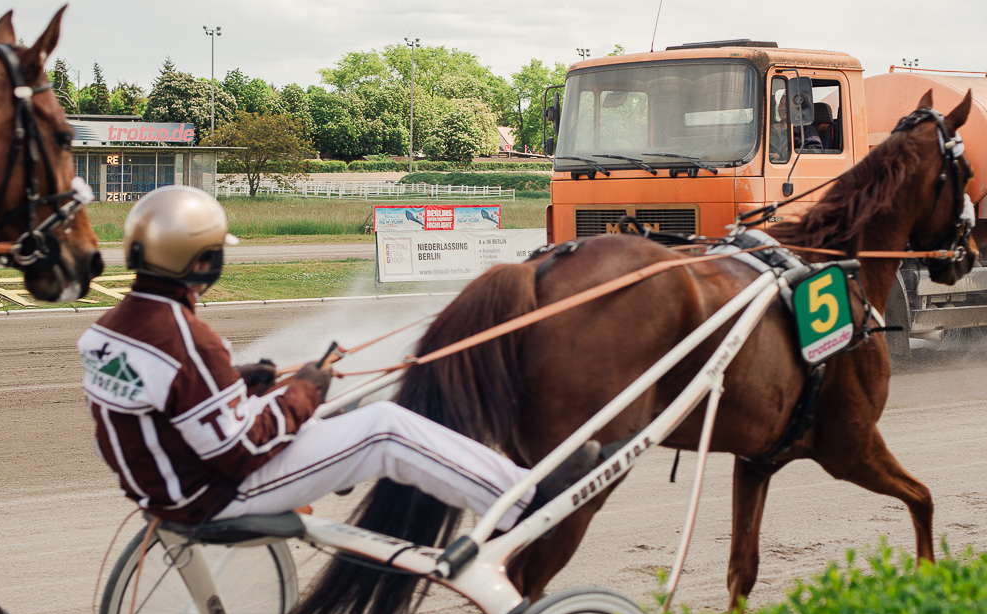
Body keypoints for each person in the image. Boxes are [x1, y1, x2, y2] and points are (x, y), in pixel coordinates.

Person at [78, 185, 600, 532]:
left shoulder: (106, 333)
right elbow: (236, 449)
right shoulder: (186, 338)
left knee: (347, 415)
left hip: (165, 484)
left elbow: (172, 398)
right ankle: (524, 500)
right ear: (203, 261)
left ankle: (340, 457)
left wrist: (240, 381)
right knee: (385, 428)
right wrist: (305, 389)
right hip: (212, 494)